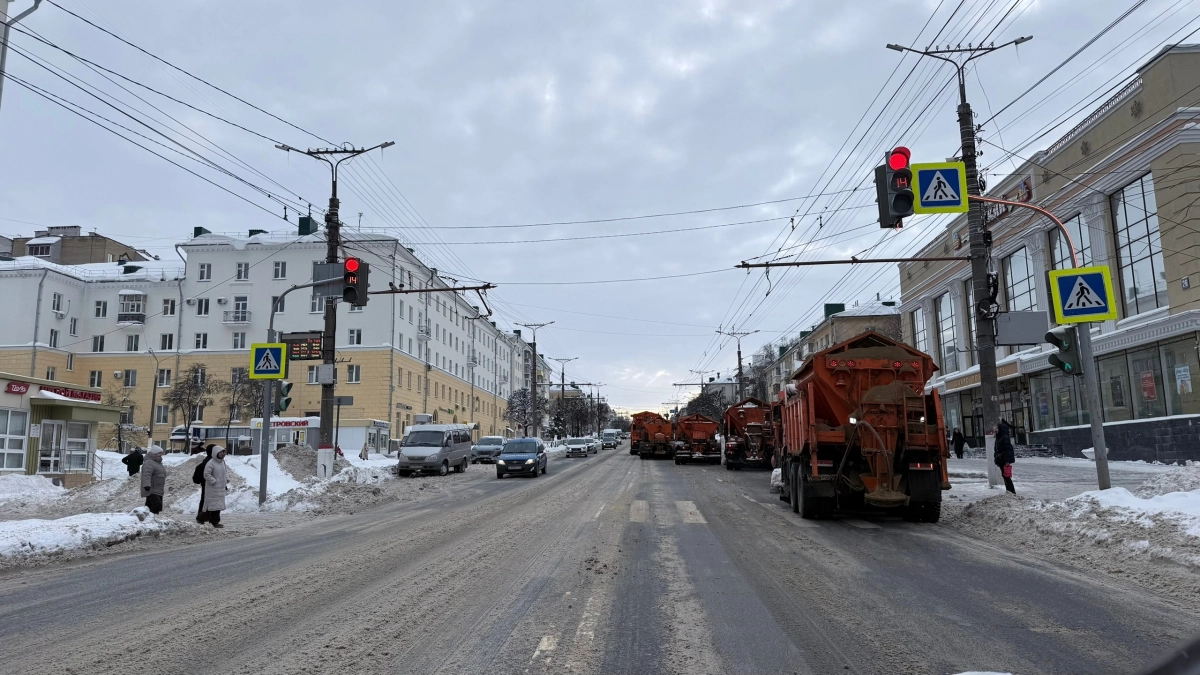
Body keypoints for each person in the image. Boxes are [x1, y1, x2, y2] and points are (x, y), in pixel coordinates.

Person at [201, 445, 229, 528]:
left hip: (220, 489)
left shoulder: (222, 462)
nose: (223, 454)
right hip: (212, 488)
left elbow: (224, 473)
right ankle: (214, 522)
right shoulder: (211, 463)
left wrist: (226, 479)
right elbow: (206, 474)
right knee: (211, 506)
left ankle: (207, 520)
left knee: (217, 506)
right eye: (221, 452)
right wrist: (214, 481)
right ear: (216, 453)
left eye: (224, 452)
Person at [140, 446, 167, 514]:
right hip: (151, 489)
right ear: (154, 453)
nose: (161, 455)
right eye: (159, 453)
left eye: (161, 453)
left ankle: (149, 521)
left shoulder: (158, 463)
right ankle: (150, 520)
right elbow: (146, 475)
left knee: (151, 507)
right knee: (156, 505)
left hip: (158, 489)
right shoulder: (149, 463)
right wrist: (147, 485)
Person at [192, 445, 215, 524]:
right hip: (209, 484)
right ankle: (202, 517)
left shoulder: (209, 460)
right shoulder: (209, 462)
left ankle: (205, 517)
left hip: (208, 484)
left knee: (206, 501)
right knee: (207, 501)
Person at [993, 419, 1016, 494]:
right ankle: (1009, 491)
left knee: (1006, 476)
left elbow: (1007, 450)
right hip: (1000, 459)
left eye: (997, 428)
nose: (995, 429)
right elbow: (996, 449)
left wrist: (1007, 461)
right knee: (1004, 475)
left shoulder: (1005, 437)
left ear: (1001, 429)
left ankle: (1012, 491)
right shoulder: (998, 437)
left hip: (1004, 459)